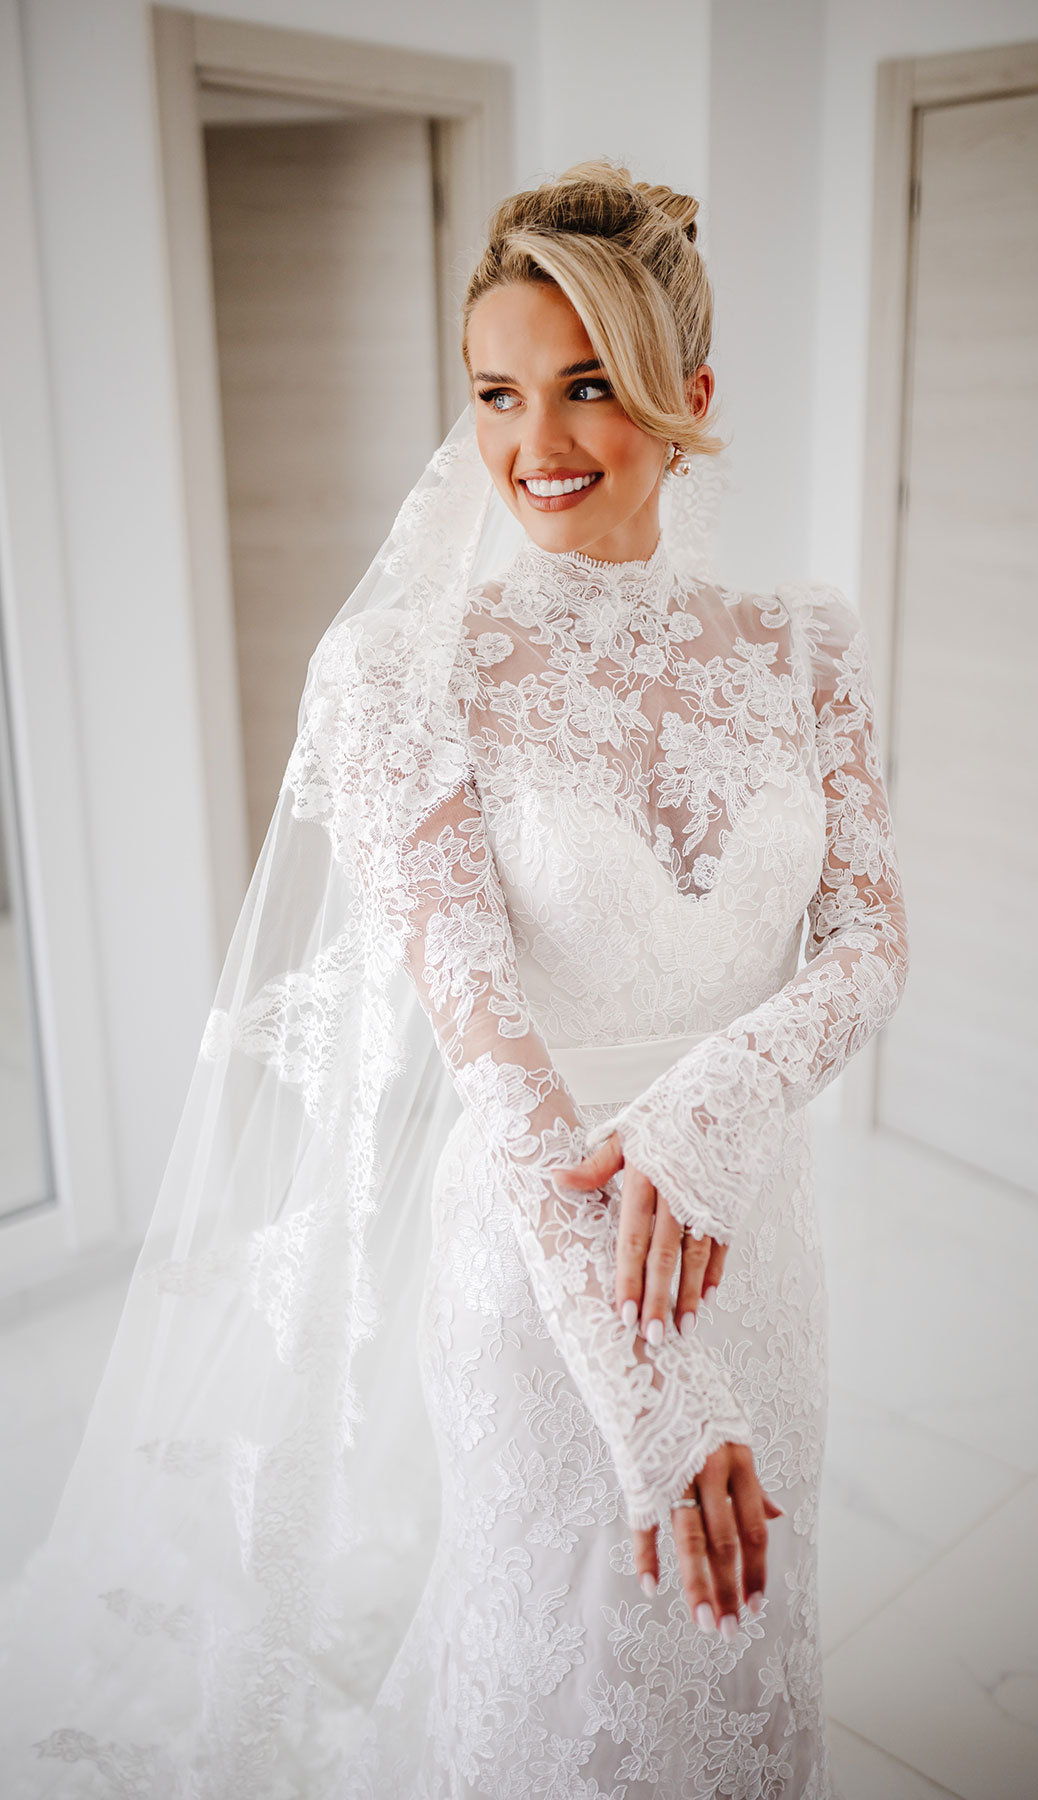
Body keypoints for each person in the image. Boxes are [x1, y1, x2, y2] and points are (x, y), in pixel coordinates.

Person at [0, 161, 906, 1799]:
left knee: (746, 1679)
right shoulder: (406, 678)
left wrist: (718, 1095)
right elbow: (496, 1075)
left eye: (589, 390)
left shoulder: (807, 646)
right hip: (540, 1271)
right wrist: (648, 1390)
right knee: (563, 1687)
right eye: (494, 392)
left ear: (690, 398)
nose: (533, 447)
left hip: (755, 1245)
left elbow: (868, 946)